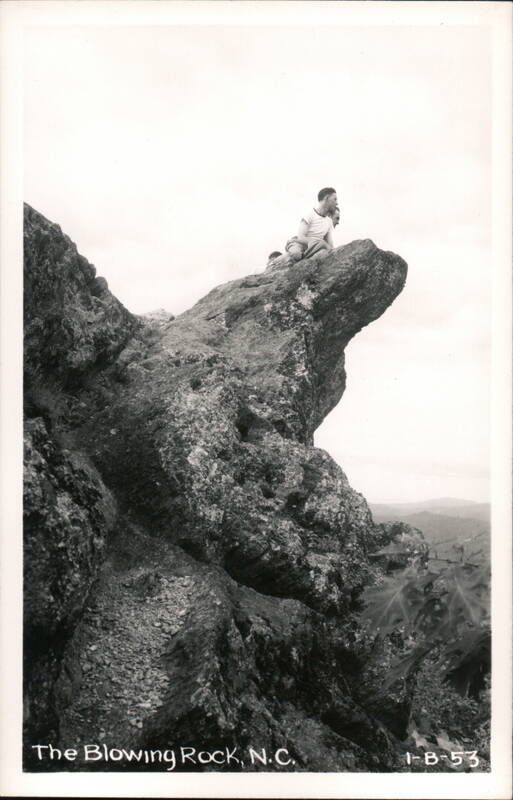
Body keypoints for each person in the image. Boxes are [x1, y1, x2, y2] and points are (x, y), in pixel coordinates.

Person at [285, 187, 338, 262]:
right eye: (334, 199)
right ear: (326, 198)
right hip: (300, 244)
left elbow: (329, 244)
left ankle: (303, 258)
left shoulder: (329, 221)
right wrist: (319, 243)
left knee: (324, 250)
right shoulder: (310, 214)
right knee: (296, 254)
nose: (337, 203)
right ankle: (276, 261)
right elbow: (301, 237)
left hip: (315, 248)